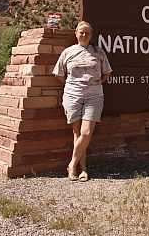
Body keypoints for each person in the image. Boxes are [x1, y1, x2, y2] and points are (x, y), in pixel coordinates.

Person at [53, 21, 113, 181]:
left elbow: (107, 72)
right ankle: (83, 169)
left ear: (91, 35)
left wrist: (96, 84)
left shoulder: (98, 52)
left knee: (86, 132)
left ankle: (72, 164)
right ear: (76, 34)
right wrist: (70, 85)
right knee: (78, 133)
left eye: (87, 33)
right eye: (81, 32)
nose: (84, 35)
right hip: (73, 95)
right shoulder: (68, 52)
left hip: (94, 96)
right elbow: (59, 74)